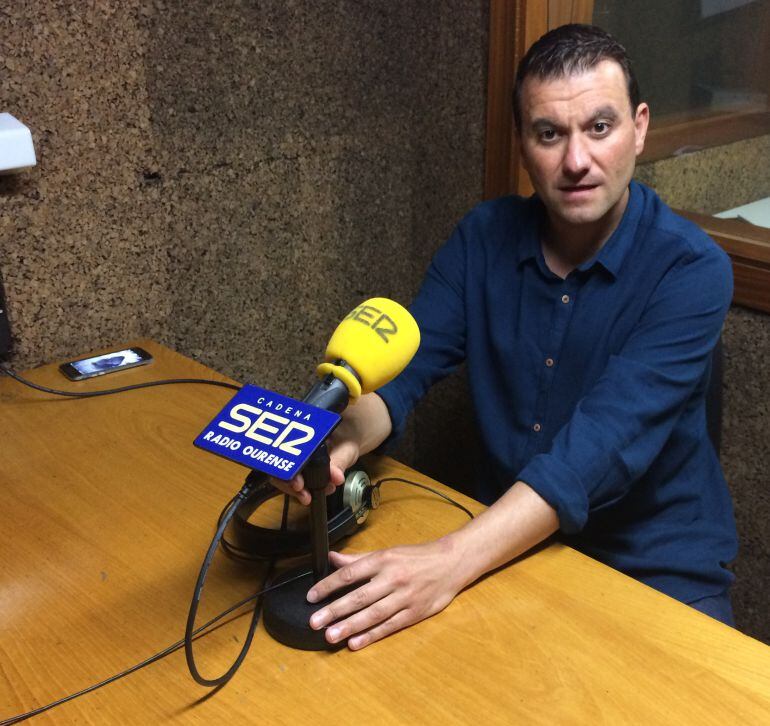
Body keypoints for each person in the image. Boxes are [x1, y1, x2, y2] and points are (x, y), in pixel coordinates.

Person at [273, 24, 738, 649]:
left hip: (654, 572)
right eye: (550, 134)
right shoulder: (483, 236)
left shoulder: (692, 270)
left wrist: (447, 563)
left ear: (641, 127)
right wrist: (340, 441)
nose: (577, 161)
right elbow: (406, 372)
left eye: (600, 127)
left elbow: (593, 453)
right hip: (505, 545)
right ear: (522, 143)